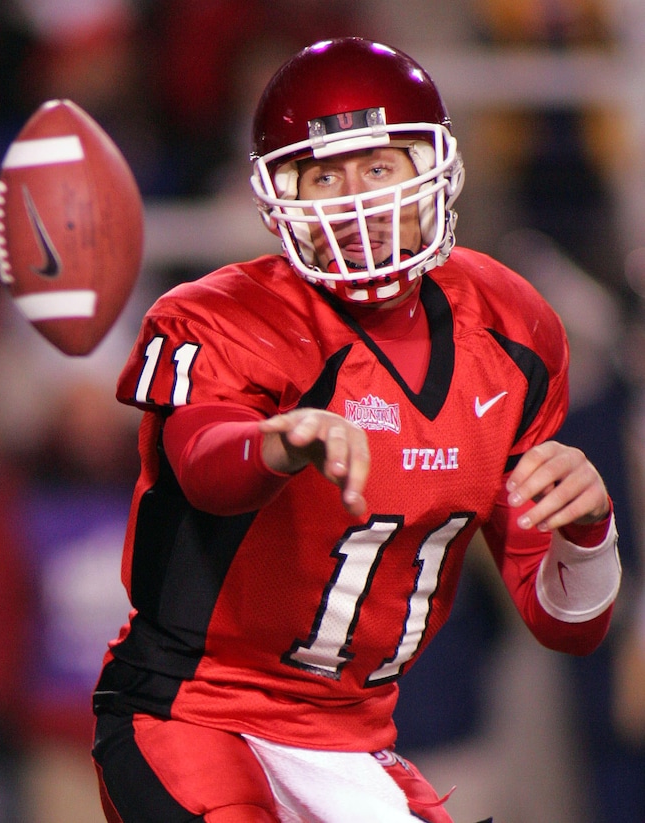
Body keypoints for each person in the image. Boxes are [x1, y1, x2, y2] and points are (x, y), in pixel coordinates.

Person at [91, 37, 622, 823]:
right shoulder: (222, 315)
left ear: (430, 171)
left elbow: (565, 624)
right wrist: (277, 442)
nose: (356, 198)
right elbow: (203, 461)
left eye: (379, 166)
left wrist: (591, 532)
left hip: (350, 739)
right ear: (283, 198)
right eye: (324, 174)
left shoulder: (513, 329)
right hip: (194, 710)